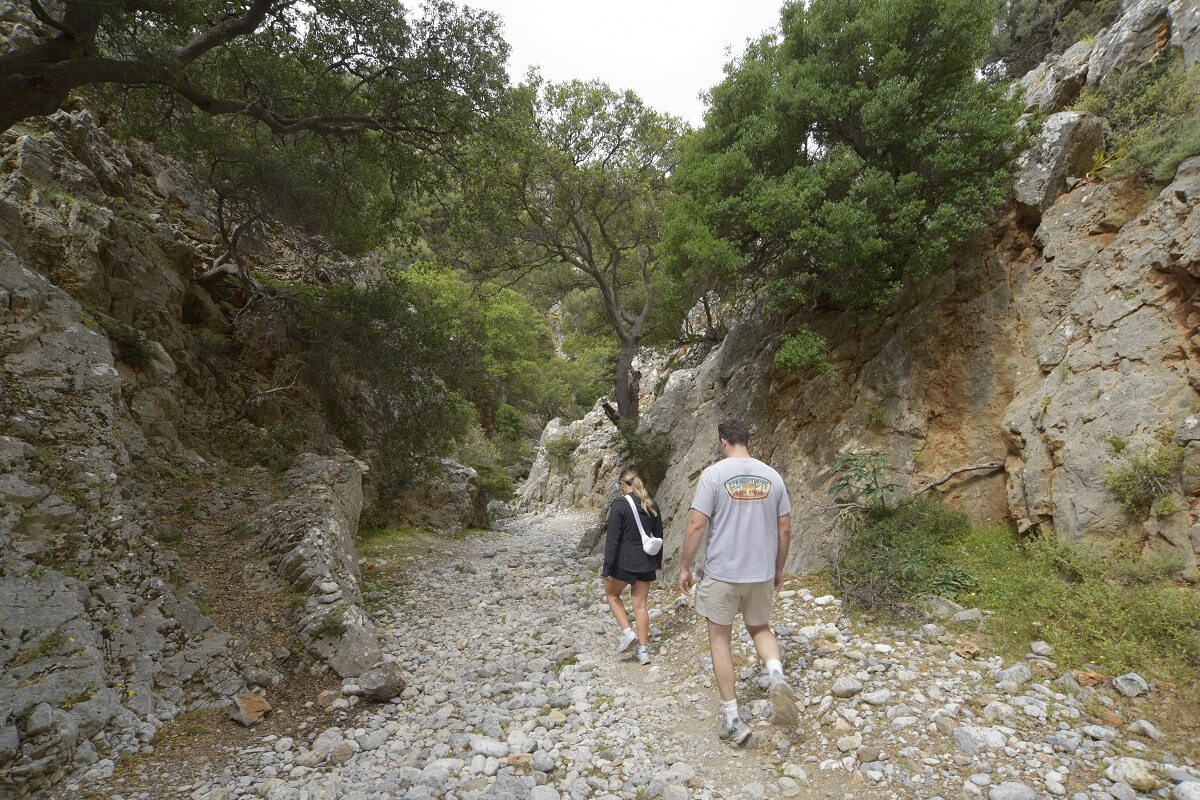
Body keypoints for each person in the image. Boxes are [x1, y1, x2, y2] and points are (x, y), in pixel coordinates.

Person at [678, 418, 796, 746]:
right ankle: (776, 674)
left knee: (720, 640)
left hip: (723, 574)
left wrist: (685, 567)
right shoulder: (773, 476)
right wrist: (778, 568)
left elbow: (696, 524)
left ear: (723, 443)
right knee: (760, 628)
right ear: (748, 441)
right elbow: (785, 528)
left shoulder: (713, 475)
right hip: (761, 573)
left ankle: (732, 719)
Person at [602, 467, 663, 666]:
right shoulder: (651, 504)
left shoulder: (620, 505)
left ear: (622, 484)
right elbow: (658, 537)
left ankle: (628, 633)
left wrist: (607, 568)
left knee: (612, 594)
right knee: (641, 606)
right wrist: (657, 563)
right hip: (646, 562)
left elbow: (612, 540)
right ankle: (643, 651)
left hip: (624, 562)